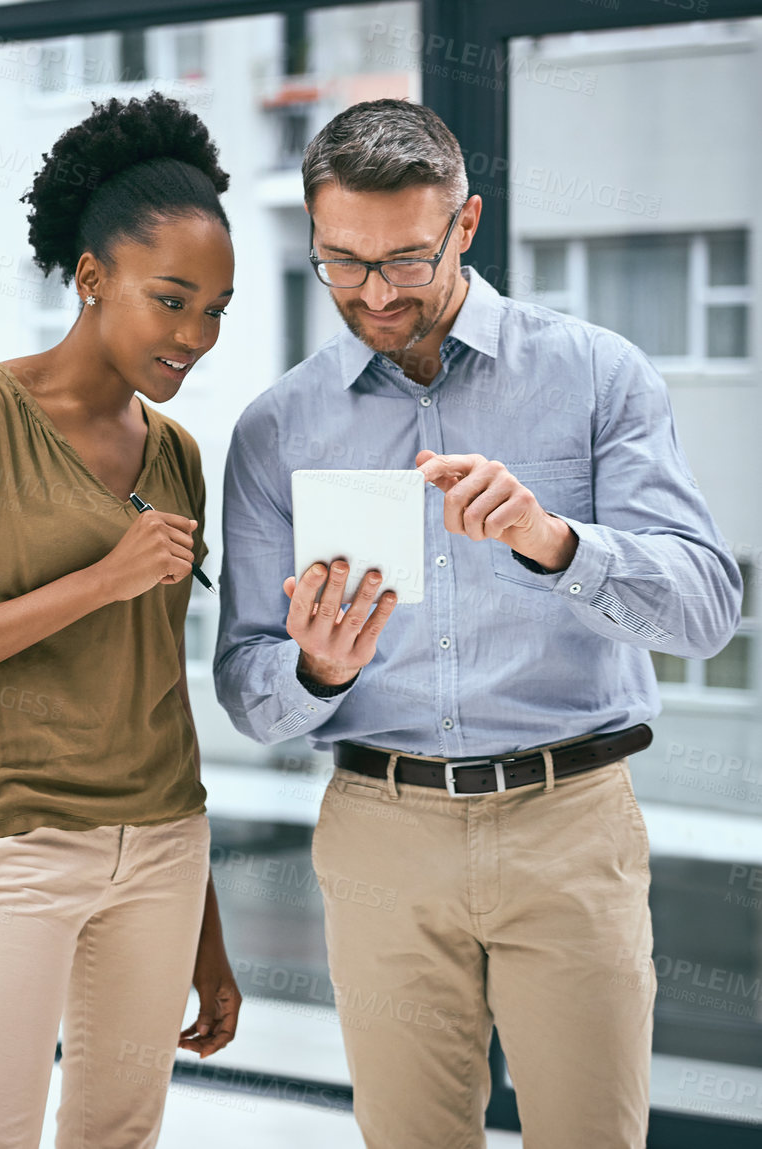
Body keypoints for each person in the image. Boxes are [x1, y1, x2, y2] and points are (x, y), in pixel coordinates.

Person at [214, 98, 743, 1149]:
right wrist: (314, 671)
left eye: (406, 259)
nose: (373, 293)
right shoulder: (278, 427)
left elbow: (708, 609)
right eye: (342, 262)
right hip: (380, 828)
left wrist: (556, 541)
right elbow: (246, 686)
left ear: (466, 224)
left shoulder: (596, 375)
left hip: (569, 822)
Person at [0, 92, 240, 1148]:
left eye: (215, 310)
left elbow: (160, 690)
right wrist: (98, 579)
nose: (194, 335)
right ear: (90, 278)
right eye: (172, 300)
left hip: (165, 846)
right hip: (14, 843)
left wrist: (207, 933)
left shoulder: (176, 457)